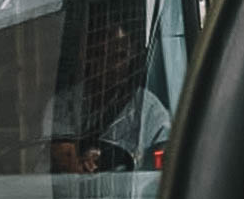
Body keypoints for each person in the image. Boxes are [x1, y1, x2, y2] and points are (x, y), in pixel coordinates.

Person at [44, 21, 170, 174]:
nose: (113, 65)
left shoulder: (148, 108)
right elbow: (62, 158)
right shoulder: (65, 104)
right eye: (101, 55)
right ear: (88, 57)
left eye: (120, 56)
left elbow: (165, 162)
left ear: (131, 57)